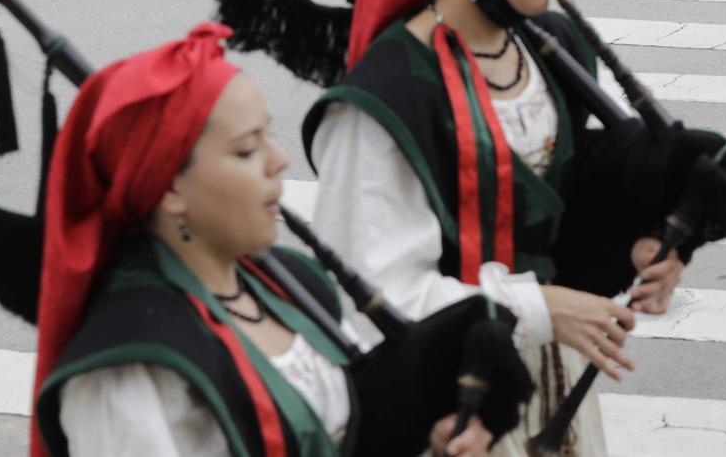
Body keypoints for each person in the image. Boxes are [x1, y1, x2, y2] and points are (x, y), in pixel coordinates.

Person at [306, 0, 702, 457]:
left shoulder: (550, 52)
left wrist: (640, 244)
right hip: (450, 411)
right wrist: (543, 307)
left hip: (555, 388)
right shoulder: (387, 99)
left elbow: (551, 212)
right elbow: (372, 300)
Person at [33, 25, 494, 457]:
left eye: (269, 136)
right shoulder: (129, 366)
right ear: (170, 187)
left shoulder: (291, 283)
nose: (280, 160)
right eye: (247, 149)